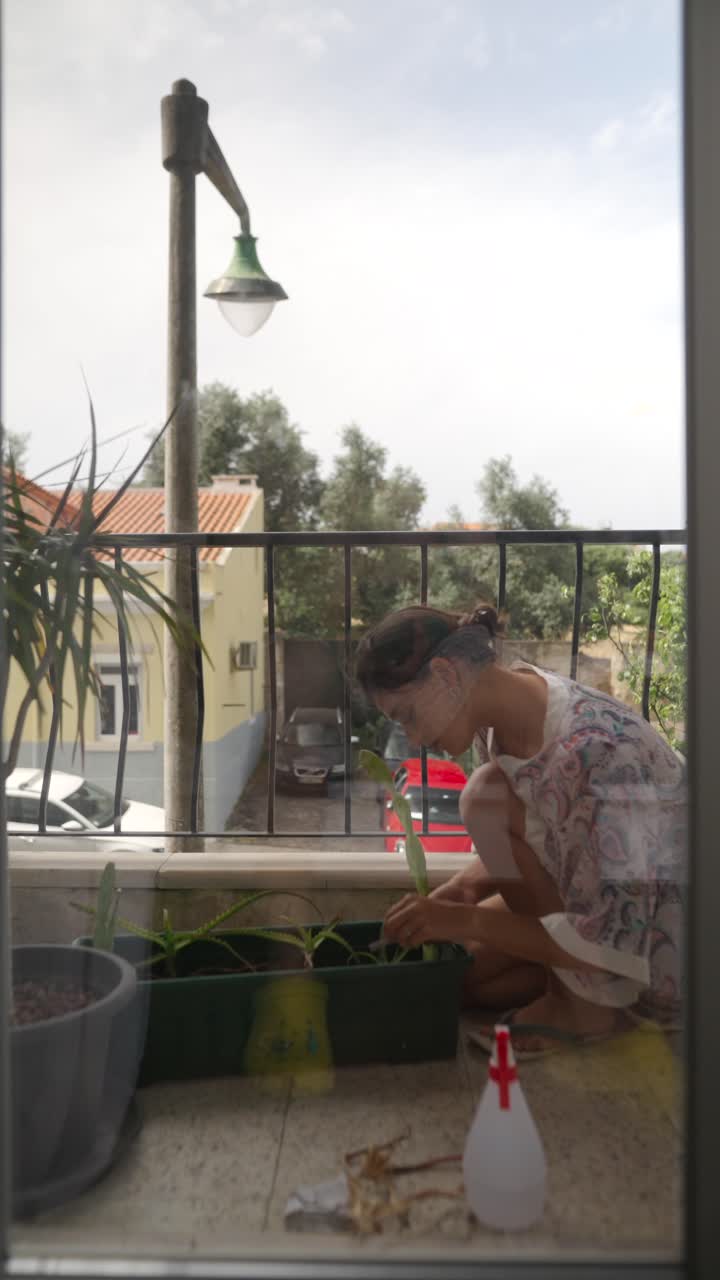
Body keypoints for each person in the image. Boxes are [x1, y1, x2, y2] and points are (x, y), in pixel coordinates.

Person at [355, 602, 685, 1055]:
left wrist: (465, 919)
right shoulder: (509, 718)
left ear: (447, 675)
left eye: (408, 716)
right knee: (464, 982)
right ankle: (573, 990)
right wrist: (462, 889)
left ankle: (580, 1008)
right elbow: (556, 831)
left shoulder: (602, 756)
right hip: (591, 897)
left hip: (657, 948)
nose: (412, 738)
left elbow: (616, 942)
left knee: (481, 797)